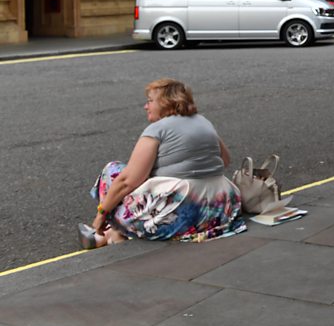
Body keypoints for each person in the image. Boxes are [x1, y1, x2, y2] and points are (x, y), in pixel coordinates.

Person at [78, 78, 244, 249]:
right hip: (220, 213)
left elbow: (126, 182)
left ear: (165, 103)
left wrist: (101, 215)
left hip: (179, 218)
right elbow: (224, 160)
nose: (146, 106)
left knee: (113, 171)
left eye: (150, 101)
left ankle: (104, 233)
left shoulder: (158, 129)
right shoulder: (204, 122)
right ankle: (113, 235)